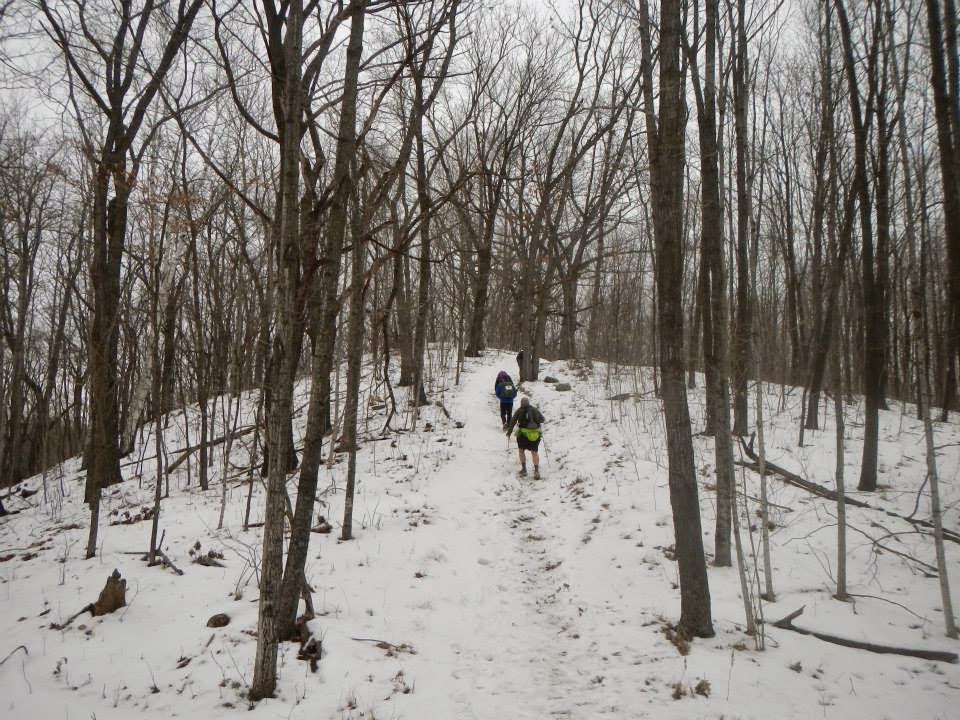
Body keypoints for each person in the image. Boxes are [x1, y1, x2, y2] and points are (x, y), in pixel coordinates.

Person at [505, 396, 544, 478]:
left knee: (521, 451)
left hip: (523, 434)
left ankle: (524, 470)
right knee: (534, 452)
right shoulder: (534, 409)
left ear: (521, 403)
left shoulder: (519, 411)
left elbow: (512, 422)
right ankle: (536, 471)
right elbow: (542, 419)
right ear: (528, 402)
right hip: (535, 434)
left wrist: (509, 432)